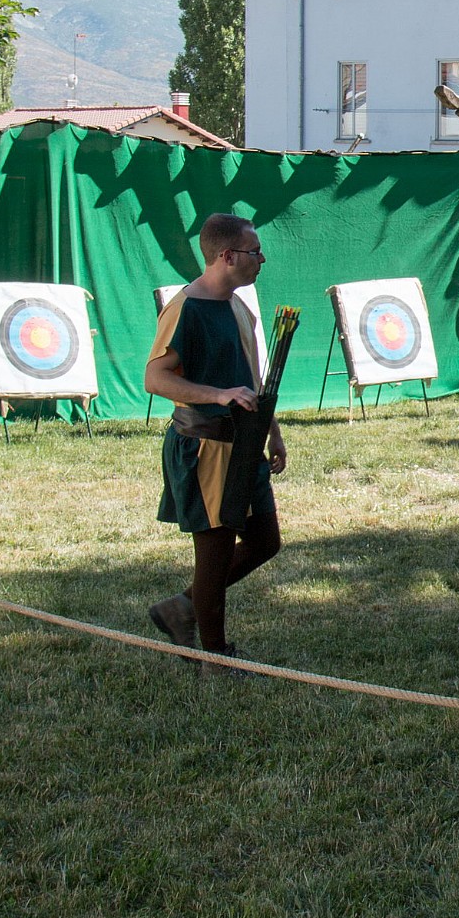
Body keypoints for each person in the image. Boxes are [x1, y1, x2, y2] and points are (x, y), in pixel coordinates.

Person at [143, 213, 286, 673]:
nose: (260, 259)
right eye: (253, 251)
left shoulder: (240, 307)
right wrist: (217, 395)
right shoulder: (186, 307)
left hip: (244, 445)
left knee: (265, 541)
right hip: (203, 446)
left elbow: (252, 377)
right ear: (226, 256)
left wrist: (272, 431)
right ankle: (215, 654)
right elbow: (155, 378)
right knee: (216, 549)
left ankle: (182, 608)